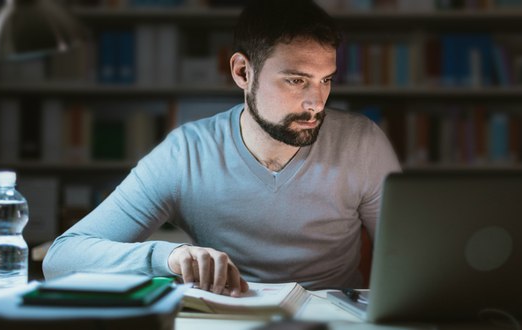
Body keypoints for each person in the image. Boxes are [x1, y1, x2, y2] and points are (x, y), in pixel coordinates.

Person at [42, 0, 400, 297]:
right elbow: (61, 259)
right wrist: (169, 257)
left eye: (326, 80)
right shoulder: (186, 154)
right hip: (228, 319)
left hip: (332, 321)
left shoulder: (362, 143)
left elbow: (410, 258)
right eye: (296, 80)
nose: (316, 103)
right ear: (243, 72)